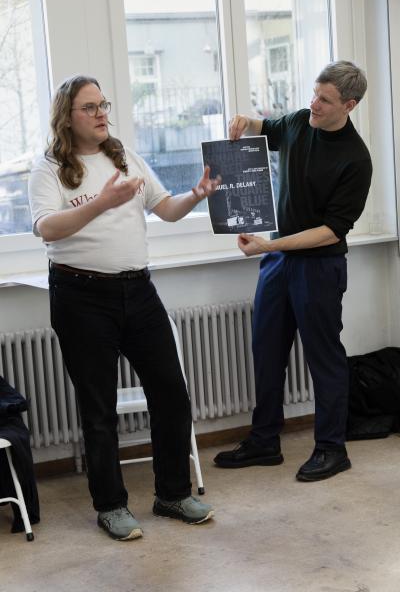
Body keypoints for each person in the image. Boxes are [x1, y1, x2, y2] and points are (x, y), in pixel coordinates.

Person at [28, 74, 220, 540]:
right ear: (67, 117)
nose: (101, 114)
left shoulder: (125, 156)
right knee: (99, 409)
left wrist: (195, 196)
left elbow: (165, 208)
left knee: (171, 393)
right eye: (89, 107)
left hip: (138, 291)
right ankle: (111, 506)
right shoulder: (49, 168)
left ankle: (172, 494)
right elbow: (46, 228)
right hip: (80, 297)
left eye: (103, 105)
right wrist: (101, 202)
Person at [214, 61, 372, 481]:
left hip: (319, 266)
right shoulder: (300, 122)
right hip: (277, 262)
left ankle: (332, 448)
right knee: (266, 351)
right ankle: (265, 441)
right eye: (314, 94)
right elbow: (263, 127)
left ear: (349, 105)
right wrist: (243, 121)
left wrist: (271, 244)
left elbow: (330, 232)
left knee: (324, 358)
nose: (313, 104)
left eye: (325, 100)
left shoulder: (356, 159)